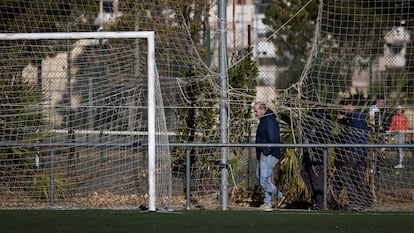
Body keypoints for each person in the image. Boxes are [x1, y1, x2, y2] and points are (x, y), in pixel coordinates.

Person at [330, 97, 373, 210]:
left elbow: (352, 136)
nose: (343, 109)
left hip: (354, 151)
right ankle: (366, 199)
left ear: (349, 105)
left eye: (343, 107)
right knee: (358, 177)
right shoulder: (358, 115)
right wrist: (342, 119)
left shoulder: (355, 117)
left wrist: (348, 148)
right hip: (362, 151)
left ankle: (354, 200)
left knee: (343, 174)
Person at [300, 97, 331, 210]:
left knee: (315, 175)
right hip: (309, 150)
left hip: (316, 151)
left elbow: (323, 132)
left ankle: (321, 203)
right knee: (304, 172)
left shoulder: (320, 114)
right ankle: (315, 200)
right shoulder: (311, 113)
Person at [253, 101, 285, 211]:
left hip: (269, 154)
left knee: (264, 180)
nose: (255, 114)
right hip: (264, 154)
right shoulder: (265, 120)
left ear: (262, 110)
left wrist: (265, 151)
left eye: (256, 111)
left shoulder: (269, 120)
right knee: (259, 176)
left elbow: (273, 139)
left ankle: (279, 195)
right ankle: (268, 203)